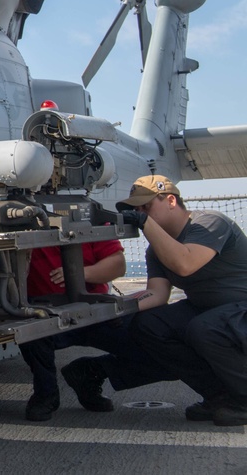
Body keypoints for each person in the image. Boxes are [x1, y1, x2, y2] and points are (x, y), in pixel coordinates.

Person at [62, 175, 247, 426]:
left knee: (204, 327)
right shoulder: (156, 250)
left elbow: (185, 263)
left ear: (171, 200)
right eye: (136, 210)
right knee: (150, 325)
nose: (139, 213)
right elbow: (158, 294)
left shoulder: (209, 223)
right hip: (209, 311)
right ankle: (219, 396)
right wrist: (121, 309)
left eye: (145, 207)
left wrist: (146, 223)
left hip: (239, 308)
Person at [16, 240, 128, 421]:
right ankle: (46, 394)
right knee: (31, 330)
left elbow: (118, 265)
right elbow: (7, 275)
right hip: (46, 311)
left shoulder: (89, 218)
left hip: (95, 310)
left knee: (145, 338)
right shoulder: (19, 228)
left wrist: (78, 273)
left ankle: (89, 374)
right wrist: (23, 256)